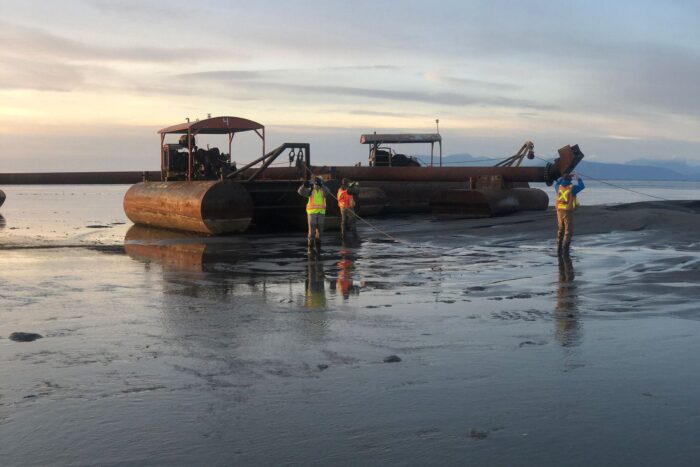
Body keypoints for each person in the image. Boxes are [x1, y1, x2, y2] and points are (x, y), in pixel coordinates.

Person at [554, 172, 585, 255]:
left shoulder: (558, 187)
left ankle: (558, 248)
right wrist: (578, 178)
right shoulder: (572, 188)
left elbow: (556, 183)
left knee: (560, 229)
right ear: (570, 179)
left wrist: (562, 177)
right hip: (567, 211)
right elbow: (582, 186)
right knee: (568, 231)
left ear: (563, 179)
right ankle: (565, 249)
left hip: (559, 210)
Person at [298, 177, 327, 255]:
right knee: (312, 230)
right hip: (312, 212)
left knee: (320, 229)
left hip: (321, 212)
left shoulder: (323, 190)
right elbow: (300, 192)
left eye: (319, 181)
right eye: (317, 181)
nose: (317, 183)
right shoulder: (311, 190)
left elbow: (328, 192)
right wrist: (304, 185)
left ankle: (318, 244)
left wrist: (322, 185)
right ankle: (310, 247)